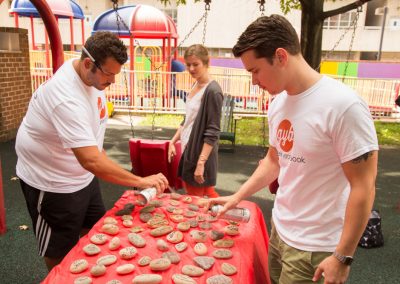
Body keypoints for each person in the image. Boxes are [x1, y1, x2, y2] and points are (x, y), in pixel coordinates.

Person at [206, 15, 379, 284]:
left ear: (281, 56)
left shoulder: (344, 106)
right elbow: (274, 161)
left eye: (254, 70)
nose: (253, 81)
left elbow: (364, 187)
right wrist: (237, 196)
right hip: (280, 231)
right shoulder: (278, 104)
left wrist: (343, 257)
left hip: (315, 247)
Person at [15, 31, 168, 271]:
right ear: (89, 64)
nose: (113, 81)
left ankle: (86, 274)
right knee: (60, 250)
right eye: (109, 74)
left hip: (82, 178)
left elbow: (93, 151)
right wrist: (139, 180)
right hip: (52, 182)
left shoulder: (88, 76)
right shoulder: (65, 96)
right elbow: (91, 160)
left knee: (96, 233)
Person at [168, 44, 223, 198]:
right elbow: (188, 119)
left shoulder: (213, 91)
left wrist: (201, 163)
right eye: (188, 64)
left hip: (199, 152)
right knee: (207, 193)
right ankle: (232, 216)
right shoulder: (195, 84)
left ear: (206, 63)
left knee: (194, 200)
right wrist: (173, 141)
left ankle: (232, 216)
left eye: (196, 64)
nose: (191, 69)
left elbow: (213, 131)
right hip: (189, 149)